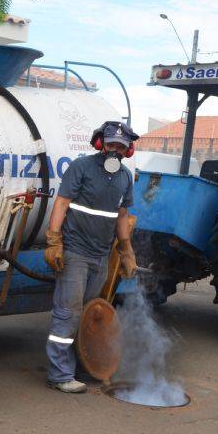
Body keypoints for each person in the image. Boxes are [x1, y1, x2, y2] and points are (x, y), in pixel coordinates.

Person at [43, 121, 139, 393]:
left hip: (100, 256)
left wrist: (126, 250)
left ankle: (79, 365)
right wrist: (54, 241)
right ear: (100, 144)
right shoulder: (81, 167)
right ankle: (59, 374)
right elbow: (62, 203)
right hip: (75, 252)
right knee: (68, 313)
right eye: (111, 144)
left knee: (87, 314)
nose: (115, 150)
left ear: (128, 150)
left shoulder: (125, 177)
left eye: (121, 146)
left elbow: (122, 215)